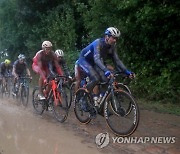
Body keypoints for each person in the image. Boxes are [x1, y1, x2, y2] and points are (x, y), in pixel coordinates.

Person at [76, 27, 135, 107]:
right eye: (113, 38)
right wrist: (106, 70)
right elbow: (97, 59)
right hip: (85, 61)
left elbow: (117, 61)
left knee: (106, 79)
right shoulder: (98, 43)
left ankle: (100, 104)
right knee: (96, 78)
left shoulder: (112, 47)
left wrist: (126, 71)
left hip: (95, 62)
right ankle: (83, 99)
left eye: (116, 39)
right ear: (107, 36)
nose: (115, 40)